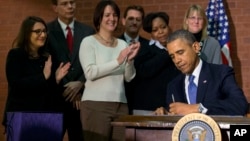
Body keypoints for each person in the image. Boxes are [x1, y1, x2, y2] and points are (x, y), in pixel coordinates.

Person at [79, 1, 140, 141]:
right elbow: (90, 73)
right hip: (95, 105)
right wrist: (118, 61)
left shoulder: (122, 44)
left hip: (121, 105)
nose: (112, 19)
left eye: (115, 15)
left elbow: (129, 77)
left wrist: (130, 60)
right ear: (99, 18)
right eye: (107, 15)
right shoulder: (88, 42)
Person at [3, 16, 70, 137]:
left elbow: (50, 93)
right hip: (21, 117)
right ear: (27, 33)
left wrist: (56, 80)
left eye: (44, 31)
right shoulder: (15, 55)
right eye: (38, 31)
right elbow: (16, 85)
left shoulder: (47, 58)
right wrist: (43, 76)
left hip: (47, 118)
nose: (43, 35)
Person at [154, 29, 248, 116]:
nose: (177, 60)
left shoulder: (221, 73)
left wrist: (199, 108)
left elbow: (240, 105)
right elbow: (176, 114)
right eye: (172, 56)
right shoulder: (173, 85)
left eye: (180, 52)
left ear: (196, 47)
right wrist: (166, 113)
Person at [47, 0, 95, 140]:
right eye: (64, 3)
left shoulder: (88, 31)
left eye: (72, 2)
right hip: (56, 99)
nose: (70, 6)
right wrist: (68, 89)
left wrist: (80, 85)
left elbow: (93, 63)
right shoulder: (46, 31)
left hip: (81, 101)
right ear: (55, 8)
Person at [127, 11, 180, 114]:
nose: (160, 32)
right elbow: (143, 72)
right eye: (155, 30)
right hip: (145, 108)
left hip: (170, 108)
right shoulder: (144, 49)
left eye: (163, 27)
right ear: (150, 33)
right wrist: (168, 52)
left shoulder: (176, 50)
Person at [118, 5, 149, 114]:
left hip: (140, 101)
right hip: (118, 99)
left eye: (138, 19)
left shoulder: (149, 45)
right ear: (123, 21)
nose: (134, 22)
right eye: (130, 18)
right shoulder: (114, 43)